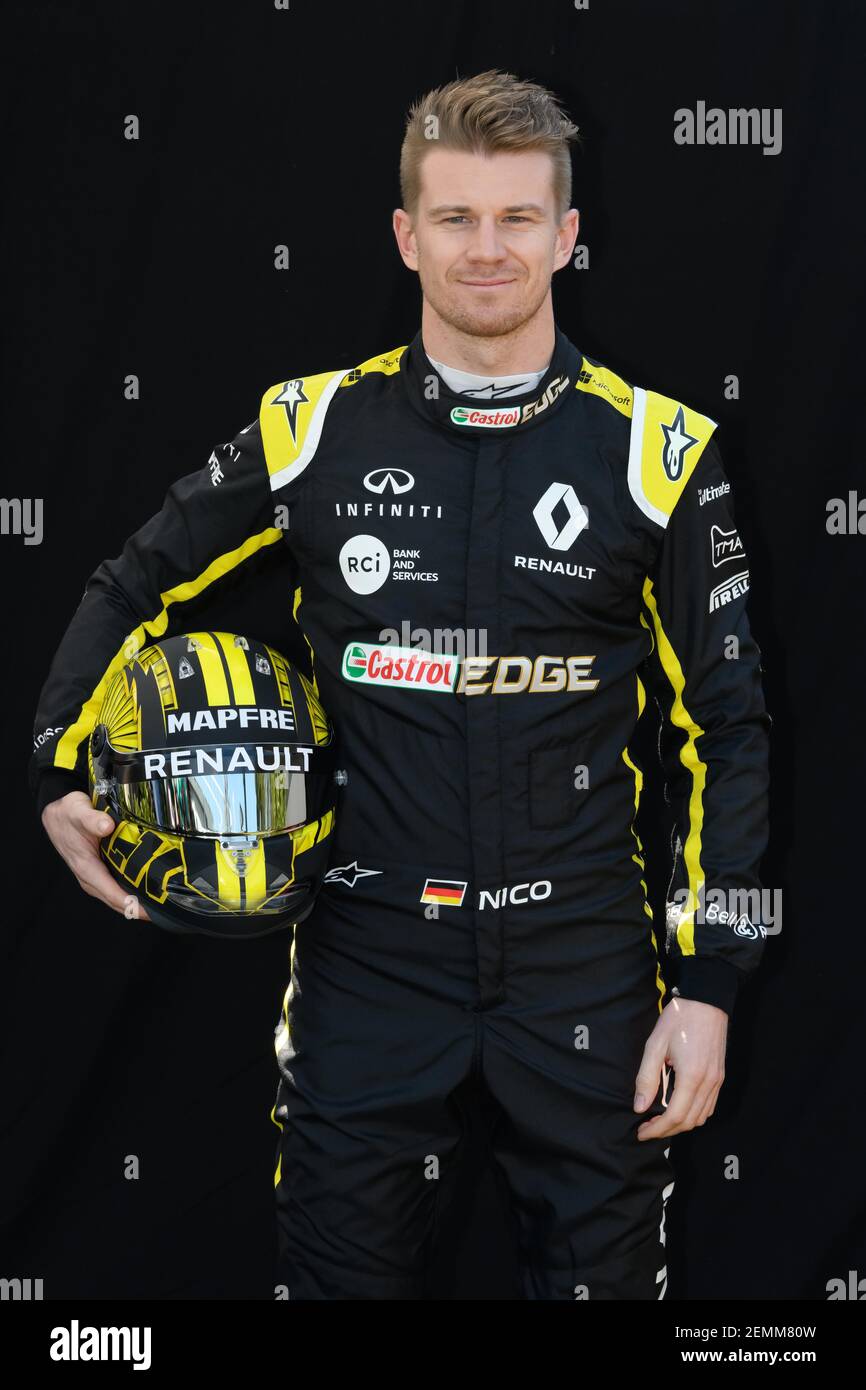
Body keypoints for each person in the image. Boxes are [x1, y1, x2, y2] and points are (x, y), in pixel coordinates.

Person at [30, 68, 771, 1300]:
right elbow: (133, 581)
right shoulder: (311, 425)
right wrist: (58, 761)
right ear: (404, 234)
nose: (486, 249)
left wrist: (708, 985)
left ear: (566, 236)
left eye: (517, 217)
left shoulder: (660, 448)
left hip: (584, 965)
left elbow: (729, 725)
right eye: (454, 217)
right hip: (366, 964)